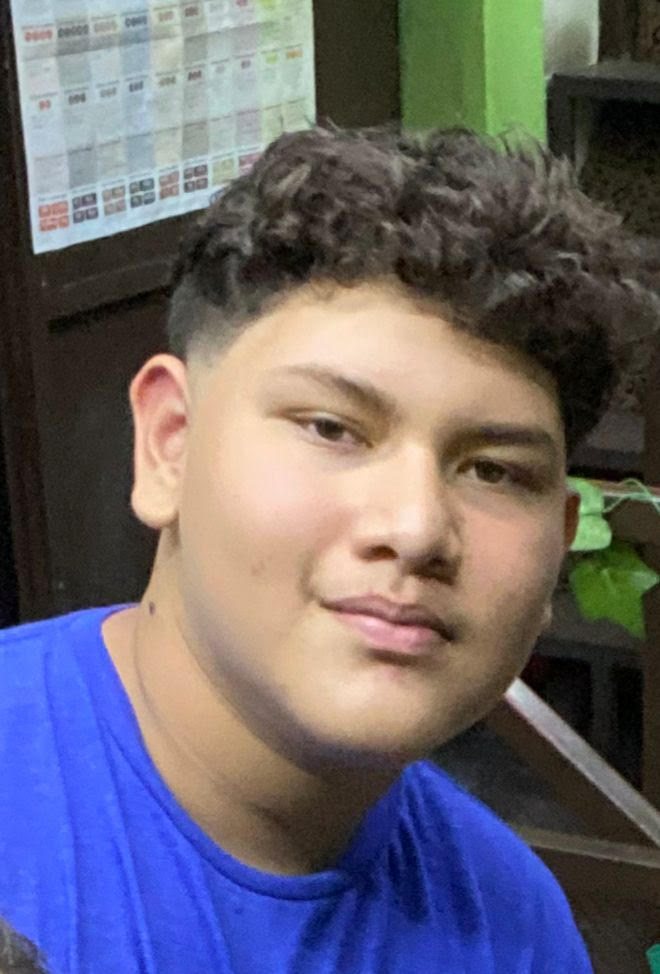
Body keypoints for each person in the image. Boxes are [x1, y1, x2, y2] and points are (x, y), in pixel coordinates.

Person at [0, 125, 656, 973]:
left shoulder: (512, 931)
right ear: (170, 443)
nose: (416, 528)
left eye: (494, 471)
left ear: (558, 546)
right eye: (331, 428)